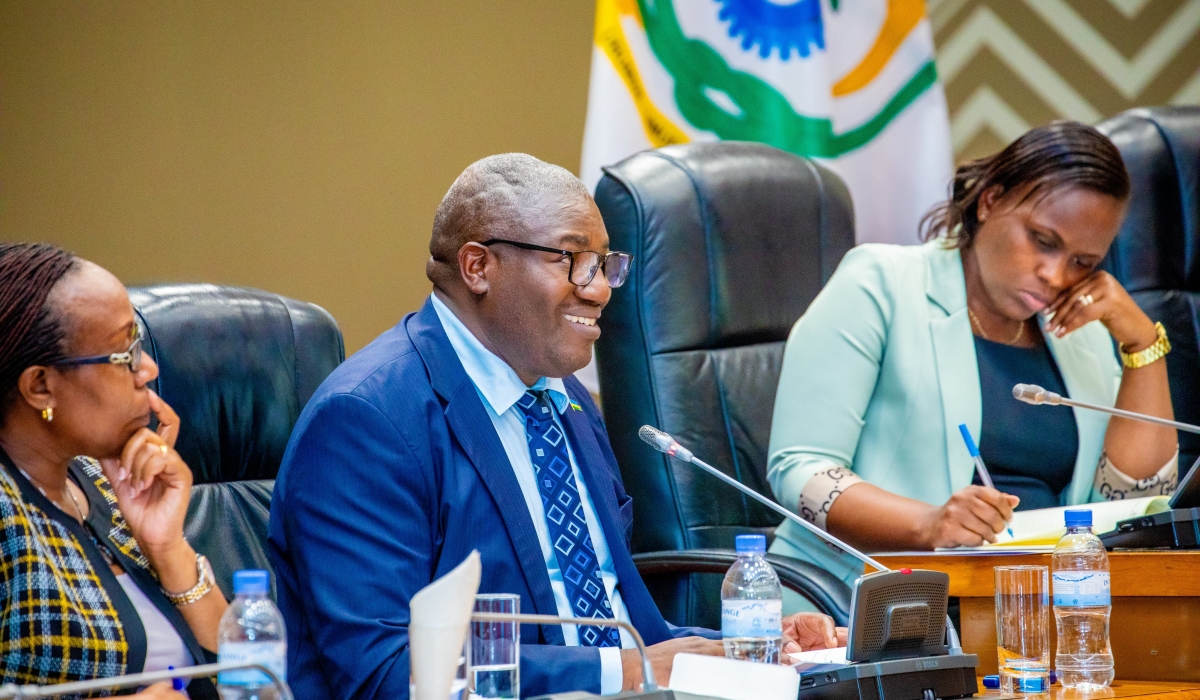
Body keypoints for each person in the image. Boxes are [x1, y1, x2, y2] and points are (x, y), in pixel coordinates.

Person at [269, 154, 846, 699]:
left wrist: (752, 648)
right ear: (478, 267)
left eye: (604, 264)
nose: (598, 289)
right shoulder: (366, 420)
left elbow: (615, 626)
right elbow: (388, 670)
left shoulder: (561, 396)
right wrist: (628, 670)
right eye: (570, 260)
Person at [766, 122, 1178, 587]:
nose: (1056, 275)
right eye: (1043, 241)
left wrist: (1144, 346)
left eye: (1083, 262)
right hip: (864, 598)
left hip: (1034, 602)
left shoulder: (1077, 329)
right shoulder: (882, 283)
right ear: (990, 200)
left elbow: (1133, 507)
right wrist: (930, 523)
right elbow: (800, 470)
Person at [0, 243, 229, 698]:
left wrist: (166, 547)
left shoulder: (103, 479)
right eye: (124, 355)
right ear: (40, 386)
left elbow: (248, 675)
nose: (148, 369)